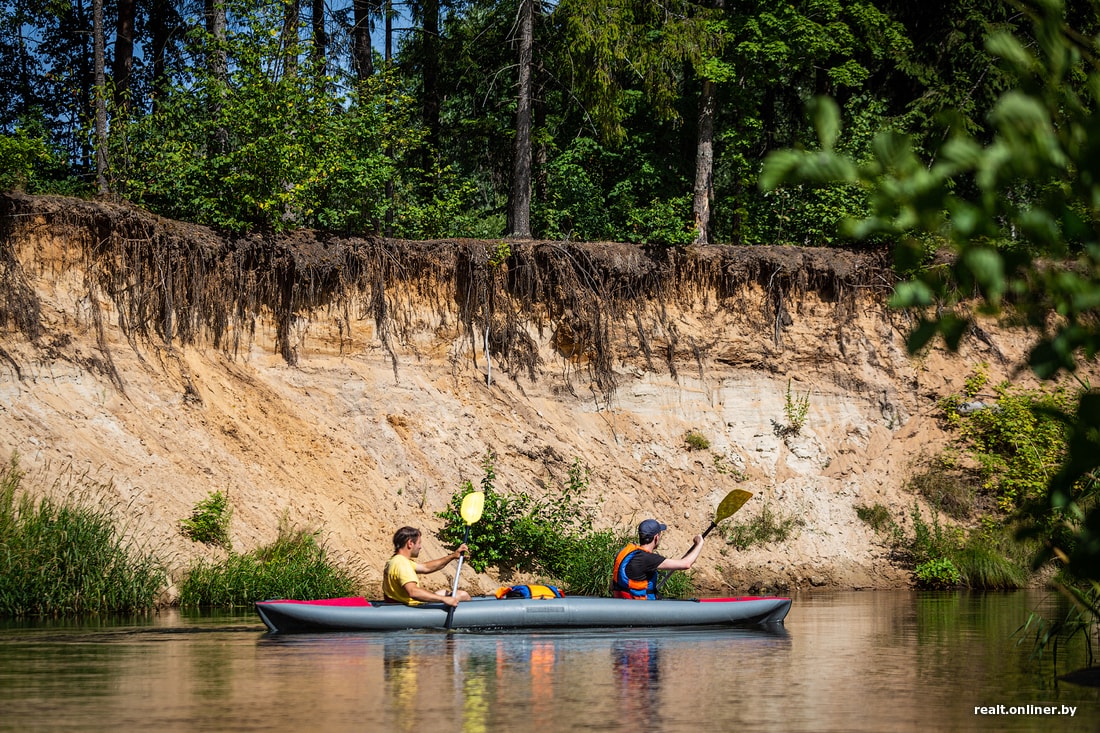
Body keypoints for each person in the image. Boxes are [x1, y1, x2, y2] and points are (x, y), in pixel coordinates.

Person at [611, 519, 703, 600]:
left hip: (623, 602)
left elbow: (612, 585)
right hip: (641, 607)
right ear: (656, 538)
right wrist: (699, 543)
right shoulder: (647, 559)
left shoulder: (625, 552)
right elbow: (686, 564)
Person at [383, 526, 472, 607]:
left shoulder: (395, 560)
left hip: (401, 603)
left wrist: (452, 556)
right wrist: (444, 599)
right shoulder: (402, 564)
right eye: (419, 543)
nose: (420, 547)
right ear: (410, 543)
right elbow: (413, 592)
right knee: (463, 595)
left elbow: (426, 567)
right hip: (410, 607)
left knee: (443, 592)